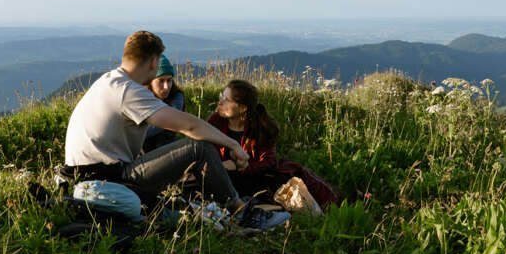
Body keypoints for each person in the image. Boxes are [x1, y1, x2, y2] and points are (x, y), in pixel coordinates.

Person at [64, 31, 249, 211]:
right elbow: (190, 126)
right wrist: (233, 145)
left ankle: (214, 204)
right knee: (198, 149)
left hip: (83, 176)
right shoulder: (127, 91)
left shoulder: (107, 81)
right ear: (154, 62)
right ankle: (239, 210)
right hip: (110, 179)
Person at [208, 79, 341, 207]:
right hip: (219, 175)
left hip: (252, 182)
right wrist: (219, 166)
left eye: (226, 100)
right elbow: (206, 149)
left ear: (242, 108)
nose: (220, 102)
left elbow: (268, 162)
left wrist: (240, 167)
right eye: (221, 96)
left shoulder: (260, 128)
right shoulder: (216, 121)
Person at [142, 55, 184, 153]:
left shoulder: (176, 96)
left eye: (169, 80)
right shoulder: (139, 98)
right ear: (150, 82)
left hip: (168, 148)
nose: (166, 87)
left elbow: (168, 120)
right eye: (161, 81)